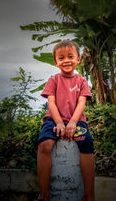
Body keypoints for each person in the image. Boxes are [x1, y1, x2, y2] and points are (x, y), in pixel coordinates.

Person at [37, 40, 95, 201]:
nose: (66, 60)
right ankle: (44, 194)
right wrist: (60, 123)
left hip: (76, 120)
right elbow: (51, 103)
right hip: (53, 119)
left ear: (78, 60)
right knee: (44, 145)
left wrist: (72, 123)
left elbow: (81, 103)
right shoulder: (53, 80)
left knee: (86, 143)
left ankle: (89, 194)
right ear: (56, 62)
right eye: (61, 58)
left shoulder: (82, 81)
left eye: (71, 56)